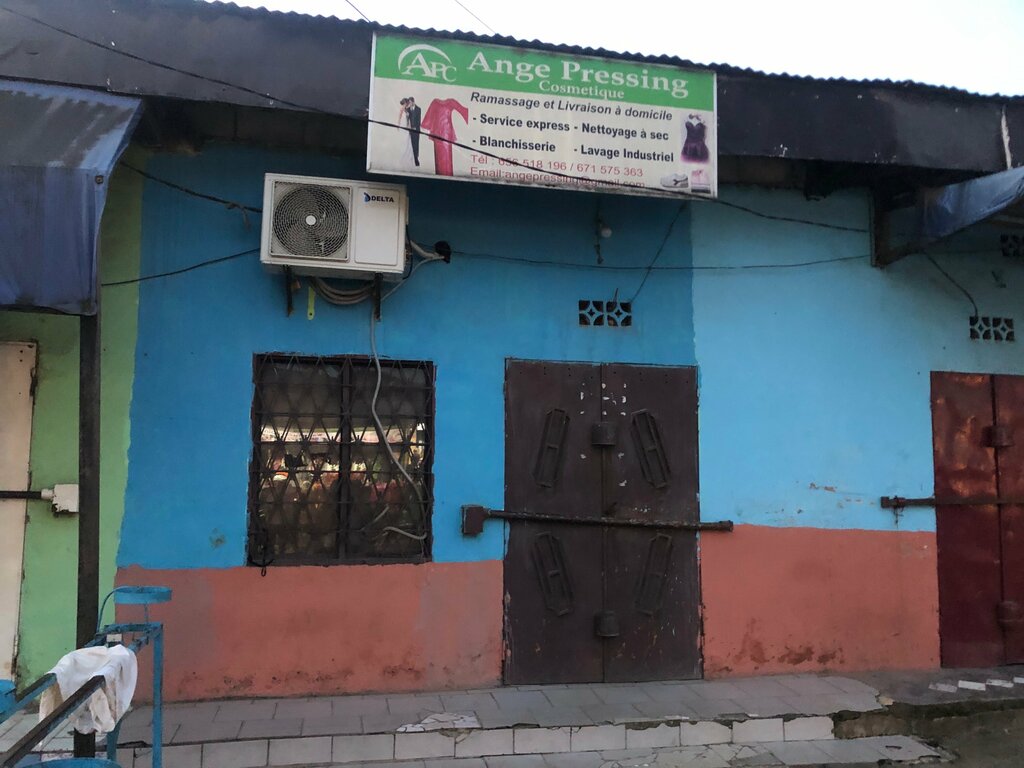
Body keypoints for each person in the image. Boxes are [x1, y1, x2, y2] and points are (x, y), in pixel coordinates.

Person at [396, 99, 415, 169]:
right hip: (403, 126)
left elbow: (408, 119)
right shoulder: (401, 109)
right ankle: (403, 158)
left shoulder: (406, 110)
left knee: (409, 142)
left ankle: (409, 158)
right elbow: (399, 117)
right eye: (405, 104)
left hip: (407, 126)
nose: (405, 105)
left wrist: (409, 126)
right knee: (405, 142)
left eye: (406, 104)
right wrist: (398, 125)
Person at [405, 97, 422, 167]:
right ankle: (413, 158)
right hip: (410, 130)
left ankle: (416, 158)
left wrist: (415, 127)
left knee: (416, 144)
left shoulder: (418, 109)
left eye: (410, 102)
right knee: (411, 143)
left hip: (416, 130)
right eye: (409, 103)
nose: (410, 104)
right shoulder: (408, 110)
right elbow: (407, 119)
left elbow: (419, 120)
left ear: (413, 102)